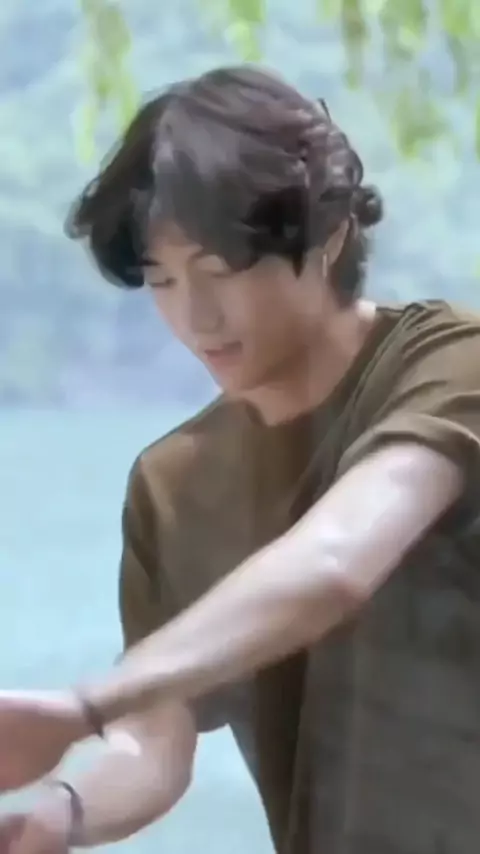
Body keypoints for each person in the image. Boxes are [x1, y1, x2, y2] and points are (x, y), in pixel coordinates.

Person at [1, 64, 480, 854]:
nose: (195, 317)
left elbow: (336, 561)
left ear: (329, 235)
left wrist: (84, 703)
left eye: (219, 272)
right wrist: (60, 810)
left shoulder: (448, 363)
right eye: (162, 280)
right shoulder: (172, 484)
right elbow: (153, 741)